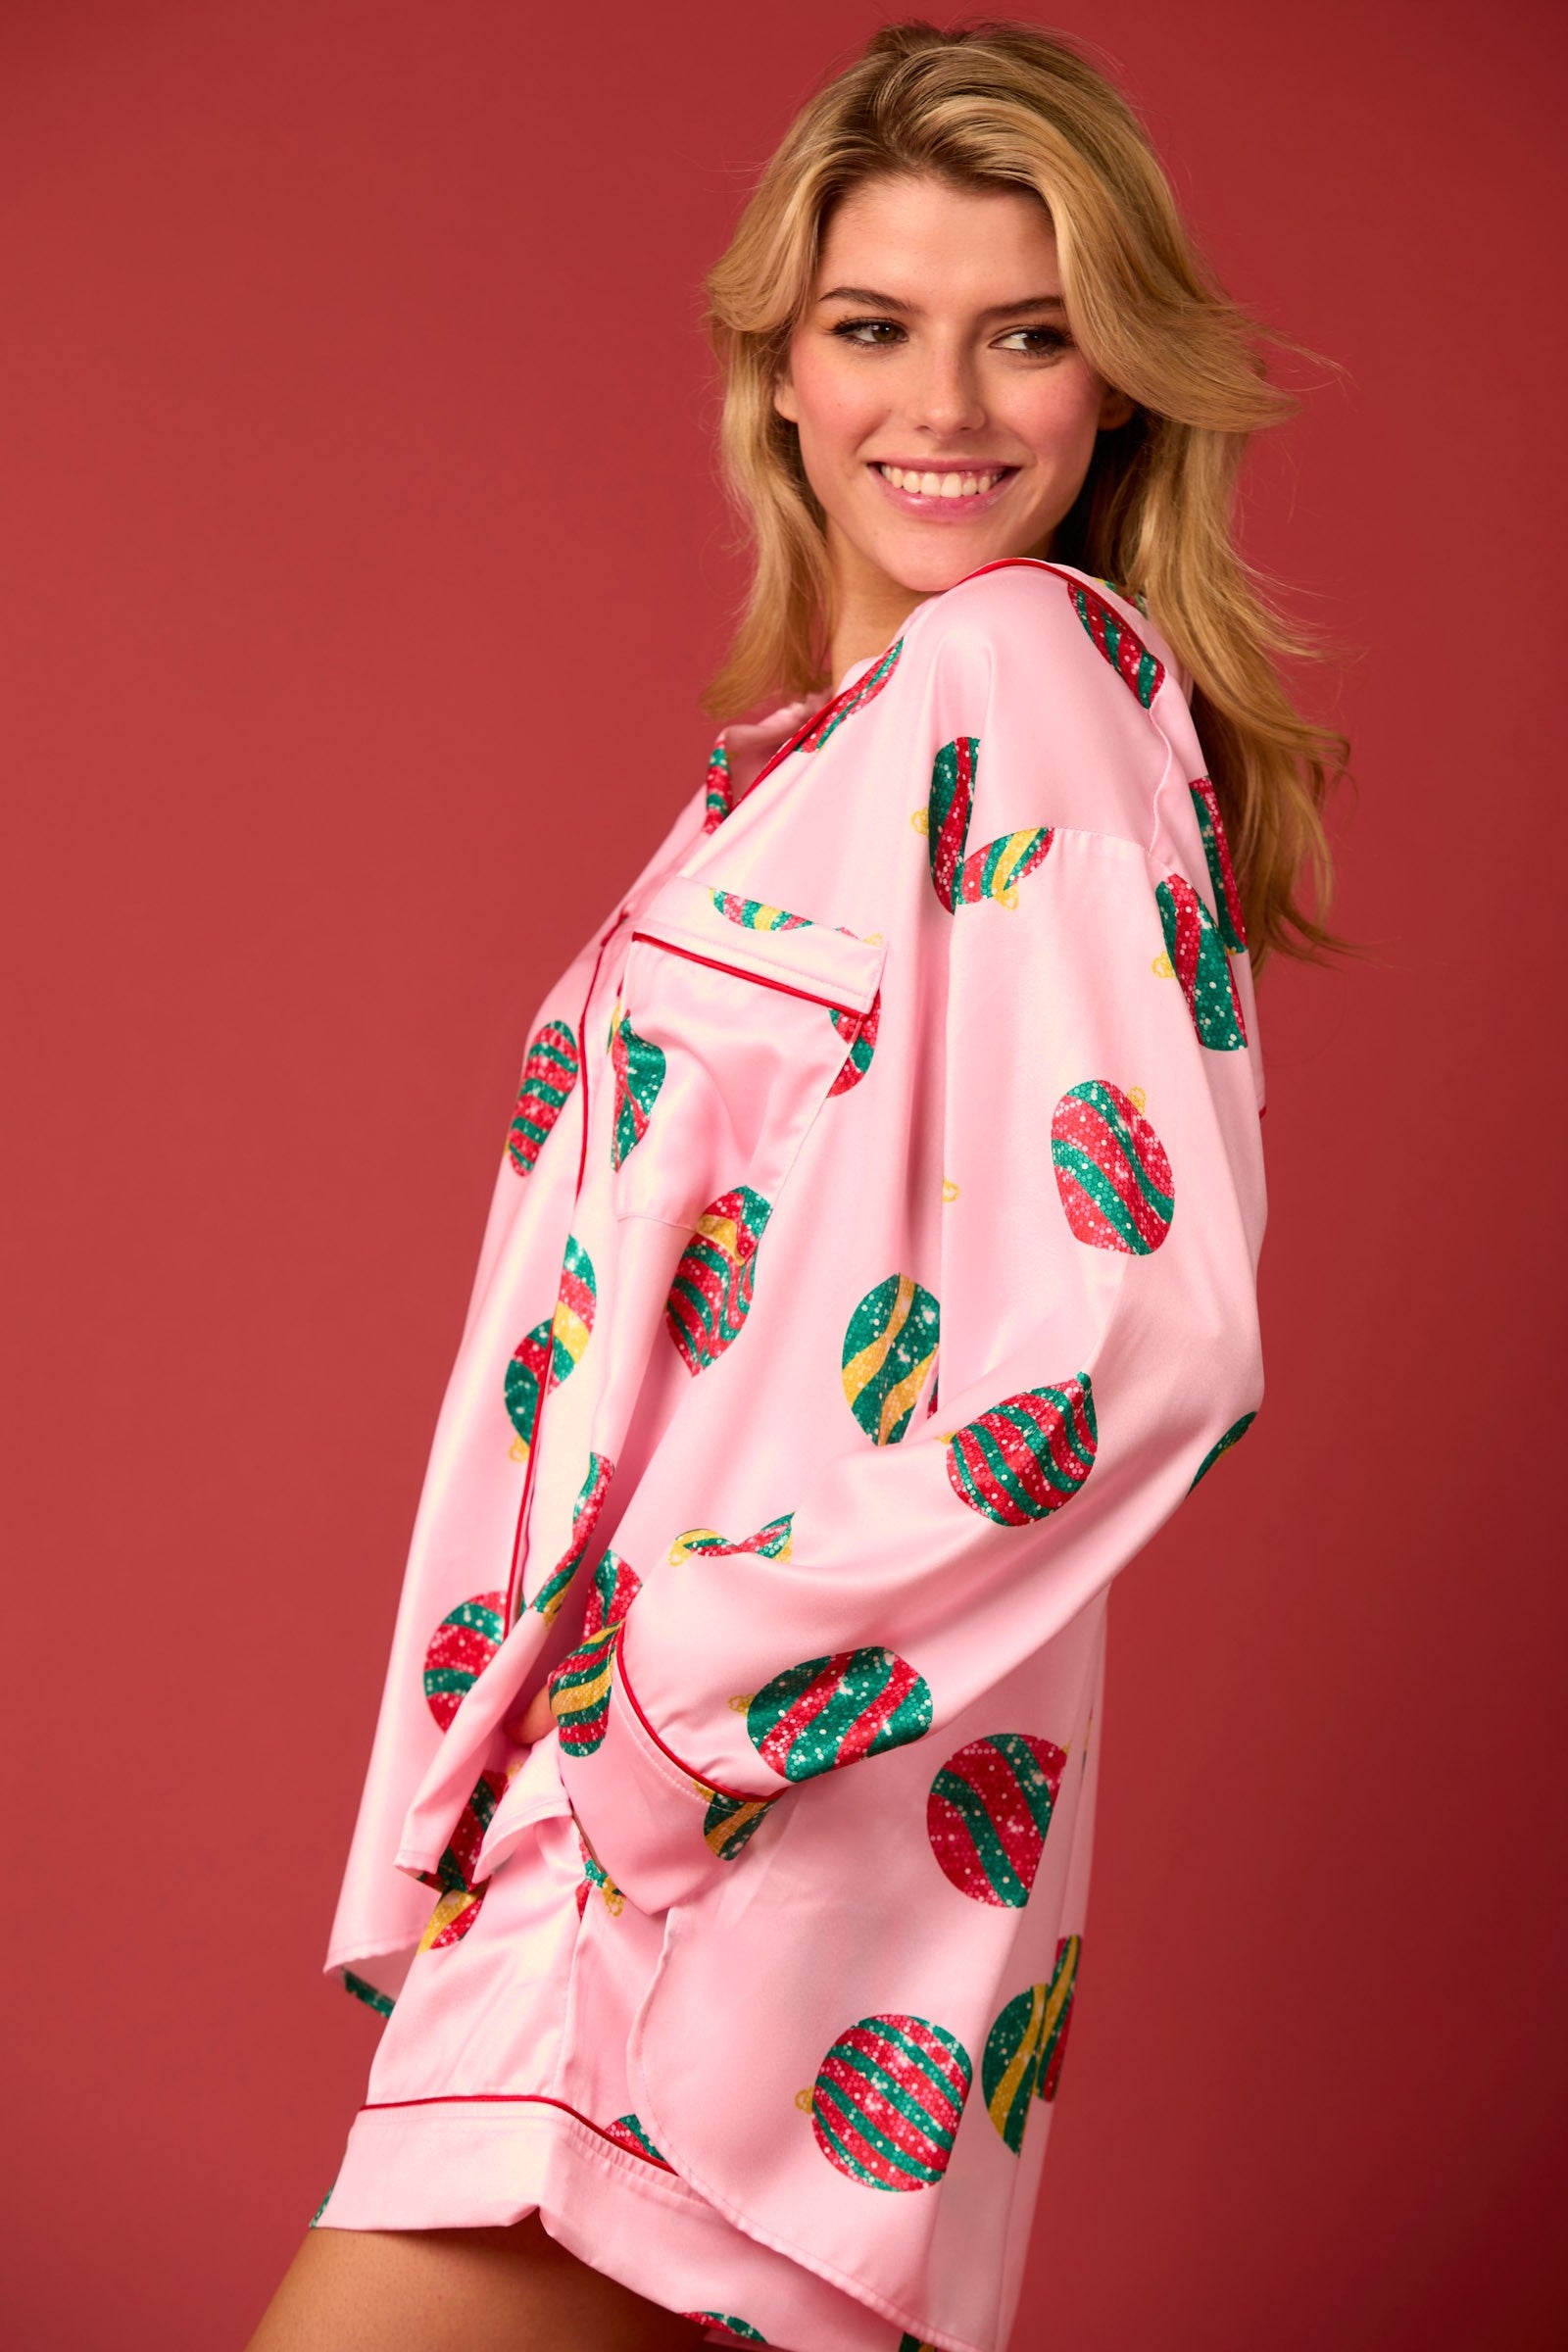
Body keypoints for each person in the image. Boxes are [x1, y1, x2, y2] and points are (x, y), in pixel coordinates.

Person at [248, 19, 1348, 2351]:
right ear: (774, 367)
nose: (941, 404)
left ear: (1114, 387)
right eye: (872, 326)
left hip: (720, 1843)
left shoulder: (1020, 669)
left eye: (1023, 334)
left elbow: (1147, 1321)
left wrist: (670, 1704)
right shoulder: (802, 766)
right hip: (663, 1840)